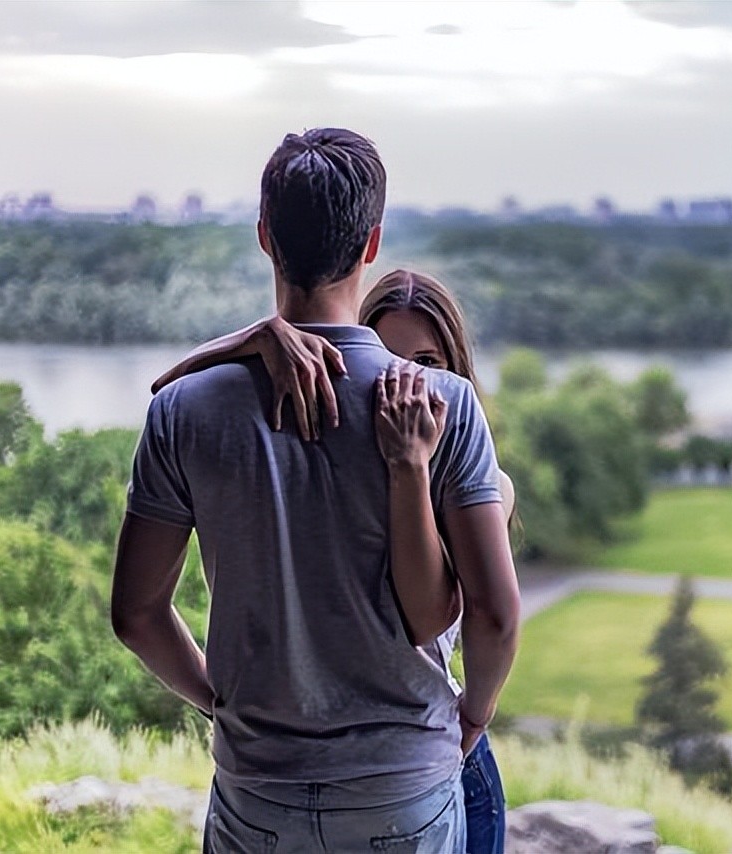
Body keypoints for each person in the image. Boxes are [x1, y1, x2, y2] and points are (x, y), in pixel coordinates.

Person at [111, 128, 520, 854]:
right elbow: (491, 613)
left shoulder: (183, 412)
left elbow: (138, 615)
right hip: (403, 790)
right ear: (372, 244)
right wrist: (475, 714)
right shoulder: (444, 406)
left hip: (256, 787)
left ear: (265, 236)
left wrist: (220, 702)